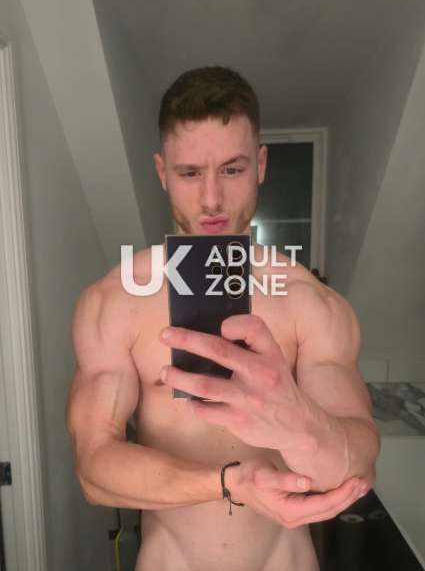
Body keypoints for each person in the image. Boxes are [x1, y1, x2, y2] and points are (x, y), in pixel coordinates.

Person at [66, 66, 380, 571]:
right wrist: (230, 483)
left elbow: (359, 461)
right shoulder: (115, 301)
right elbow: (93, 468)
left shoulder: (309, 301)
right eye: (190, 173)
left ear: (260, 165)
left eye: (232, 170)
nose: (211, 199)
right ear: (162, 172)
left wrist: (300, 424)